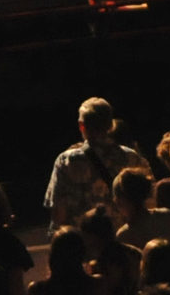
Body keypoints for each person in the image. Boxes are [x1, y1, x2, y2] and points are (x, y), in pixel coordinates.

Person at [45, 98, 150, 229]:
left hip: (85, 242)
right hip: (123, 240)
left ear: (81, 125)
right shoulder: (132, 158)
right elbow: (148, 202)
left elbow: (58, 212)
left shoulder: (67, 161)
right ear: (110, 125)